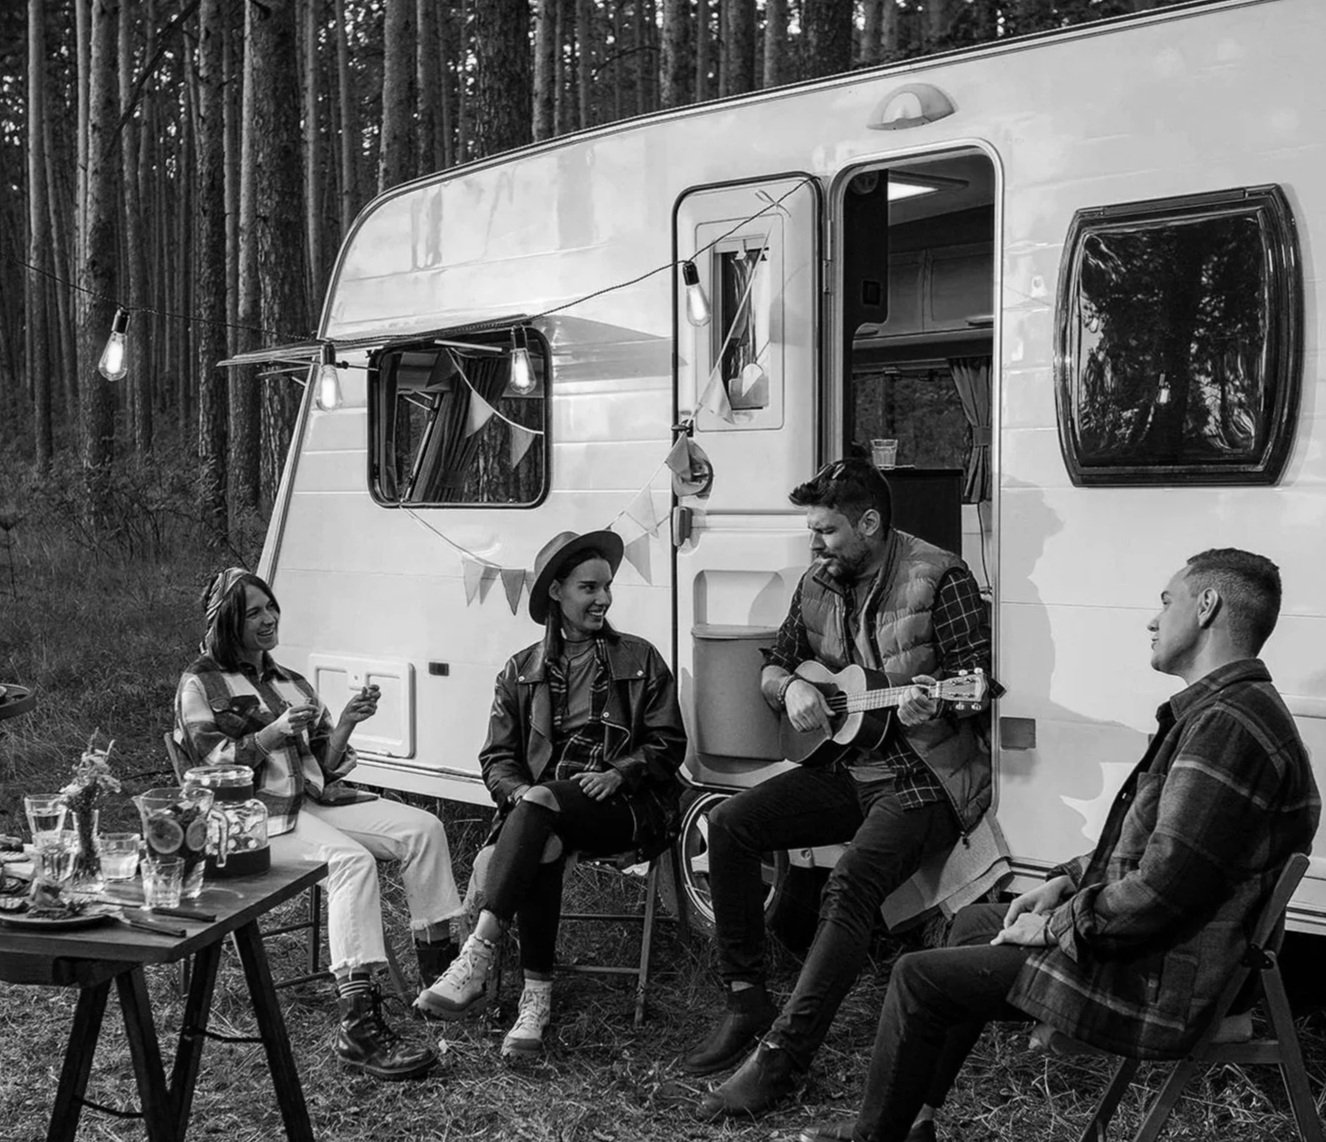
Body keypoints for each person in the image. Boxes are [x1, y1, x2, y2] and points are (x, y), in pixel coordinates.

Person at [799, 548, 1320, 1142]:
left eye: (1166, 601)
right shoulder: (1225, 712)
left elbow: (1161, 889)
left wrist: (1055, 926)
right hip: (1174, 950)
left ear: (1207, 607)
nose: (1153, 620)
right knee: (972, 924)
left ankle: (876, 1136)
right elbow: (1149, 844)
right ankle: (917, 1120)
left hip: (1167, 975)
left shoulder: (1226, 728)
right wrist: (1067, 881)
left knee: (918, 978)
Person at [690, 458, 995, 1119]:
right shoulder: (817, 582)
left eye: (826, 530)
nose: (816, 543)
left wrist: (938, 706)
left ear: (870, 523)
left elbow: (979, 690)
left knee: (849, 883)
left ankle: (782, 1061)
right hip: (845, 764)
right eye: (812, 531)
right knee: (734, 826)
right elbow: (772, 669)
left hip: (924, 777)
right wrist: (796, 687)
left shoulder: (941, 577)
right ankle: (746, 999)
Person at [175, 567, 464, 1082]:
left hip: (312, 803)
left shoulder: (290, 681)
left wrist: (348, 720)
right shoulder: (202, 683)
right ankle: (359, 1027)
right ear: (228, 623)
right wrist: (272, 732)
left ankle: (441, 983)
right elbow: (206, 766)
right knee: (351, 863)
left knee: (424, 829)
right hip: (250, 820)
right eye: (254, 613)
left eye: (271, 608)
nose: (269, 620)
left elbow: (324, 766)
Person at [414, 530, 687, 1057]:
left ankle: (478, 952)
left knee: (541, 809)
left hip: (624, 806)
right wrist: (519, 797)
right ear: (557, 592)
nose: (603, 598)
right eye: (589, 588)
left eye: (607, 587)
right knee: (542, 838)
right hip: (542, 812)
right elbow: (498, 760)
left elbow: (668, 743)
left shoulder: (639, 658)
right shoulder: (519, 672)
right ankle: (534, 1004)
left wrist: (620, 774)